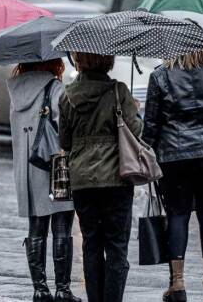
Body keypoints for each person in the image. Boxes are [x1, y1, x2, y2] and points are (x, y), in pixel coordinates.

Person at [142, 49, 203, 302]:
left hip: (175, 156)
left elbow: (151, 122)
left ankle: (177, 284)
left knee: (178, 215)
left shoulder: (161, 76)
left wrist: (144, 151)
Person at [59, 52, 142, 302]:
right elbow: (136, 132)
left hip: (83, 180)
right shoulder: (119, 92)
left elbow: (64, 141)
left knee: (91, 243)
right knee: (117, 246)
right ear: (109, 60)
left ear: (79, 61)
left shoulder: (67, 96)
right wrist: (133, 111)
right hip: (117, 178)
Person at [7, 59, 81, 302]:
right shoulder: (56, 89)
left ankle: (40, 289)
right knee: (62, 228)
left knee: (36, 229)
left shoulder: (15, 91)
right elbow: (67, 128)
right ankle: (62, 289)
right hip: (55, 166)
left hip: (28, 168)